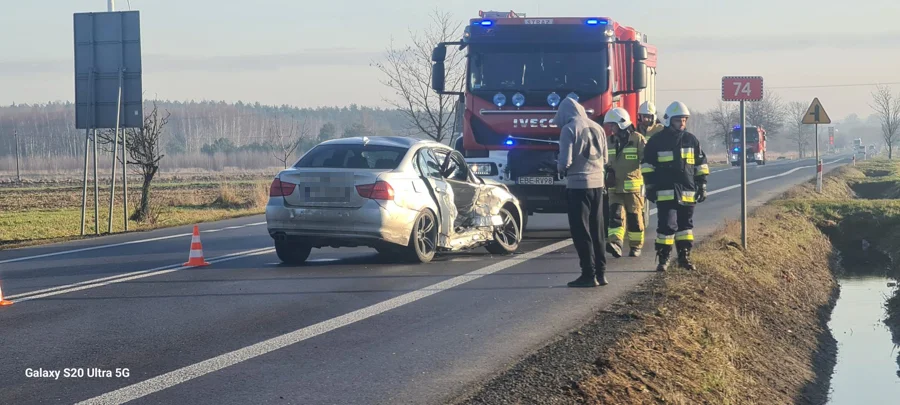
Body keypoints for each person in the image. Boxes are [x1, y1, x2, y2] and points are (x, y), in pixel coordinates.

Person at [641, 101, 710, 272]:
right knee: (666, 227)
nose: (682, 124)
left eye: (685, 120)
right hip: (665, 192)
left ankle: (684, 257)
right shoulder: (657, 141)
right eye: (679, 120)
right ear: (669, 120)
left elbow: (701, 165)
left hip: (687, 191)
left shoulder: (691, 140)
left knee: (685, 227)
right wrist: (650, 186)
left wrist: (702, 185)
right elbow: (647, 165)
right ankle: (663, 259)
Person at [555, 97, 609, 287]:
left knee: (581, 231)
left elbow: (565, 161)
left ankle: (588, 274)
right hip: (598, 184)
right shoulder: (598, 127)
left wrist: (559, 169)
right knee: (597, 229)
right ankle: (601, 274)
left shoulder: (569, 129)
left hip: (578, 185)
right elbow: (605, 158)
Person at [602, 107, 647, 258]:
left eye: (613, 125)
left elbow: (646, 160)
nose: (611, 129)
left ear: (621, 123)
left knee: (634, 218)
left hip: (632, 188)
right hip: (614, 187)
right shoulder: (609, 141)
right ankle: (616, 244)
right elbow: (604, 162)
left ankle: (635, 246)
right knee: (615, 217)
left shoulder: (637, 139)